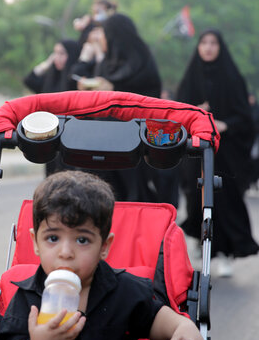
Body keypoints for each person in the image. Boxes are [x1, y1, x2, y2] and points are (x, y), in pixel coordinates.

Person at [0, 170, 204, 340]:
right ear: (35, 243)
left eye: (82, 240)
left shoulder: (123, 290)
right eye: (53, 238)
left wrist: (186, 327)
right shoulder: (26, 296)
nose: (65, 252)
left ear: (104, 246)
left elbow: (163, 320)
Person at [72, 13, 180, 206]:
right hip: (103, 144)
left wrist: (114, 90)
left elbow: (146, 99)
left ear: (114, 36)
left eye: (103, 34)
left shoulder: (142, 61)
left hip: (133, 148)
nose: (100, 39)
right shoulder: (106, 62)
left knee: (132, 201)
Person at [176, 29, 259, 277]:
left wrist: (225, 125)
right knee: (196, 199)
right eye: (204, 43)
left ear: (220, 47)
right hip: (196, 153)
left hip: (226, 153)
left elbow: (246, 118)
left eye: (213, 43)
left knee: (224, 200)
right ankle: (204, 250)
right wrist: (195, 111)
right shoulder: (190, 77)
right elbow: (177, 112)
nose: (209, 47)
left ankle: (225, 253)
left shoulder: (233, 78)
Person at [23, 39, 81, 176]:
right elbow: (29, 80)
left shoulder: (75, 79)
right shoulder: (51, 78)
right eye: (55, 53)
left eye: (62, 54)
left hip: (71, 137)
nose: (57, 58)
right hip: (51, 137)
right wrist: (47, 63)